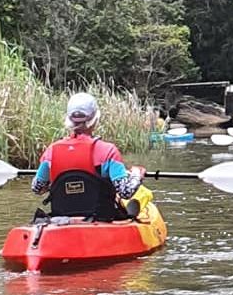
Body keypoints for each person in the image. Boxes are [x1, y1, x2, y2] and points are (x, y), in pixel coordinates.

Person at [31, 92, 152, 221]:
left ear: (68, 120)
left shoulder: (51, 151)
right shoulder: (108, 151)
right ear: (95, 120)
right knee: (133, 205)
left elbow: (37, 189)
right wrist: (136, 174)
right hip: (101, 221)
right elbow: (125, 192)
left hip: (61, 222)